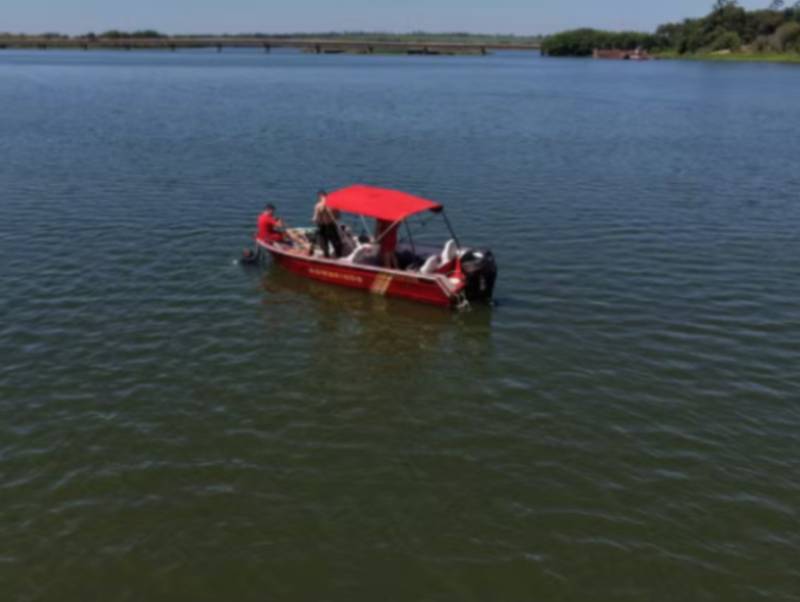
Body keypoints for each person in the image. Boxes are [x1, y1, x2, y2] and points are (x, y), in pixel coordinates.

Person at [309, 190, 342, 258]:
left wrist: (312, 220)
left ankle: (326, 255)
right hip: (331, 225)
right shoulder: (334, 204)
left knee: (323, 242)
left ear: (320, 196)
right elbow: (338, 217)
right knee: (336, 241)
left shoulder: (318, 206)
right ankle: (339, 256)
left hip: (322, 226)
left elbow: (316, 218)